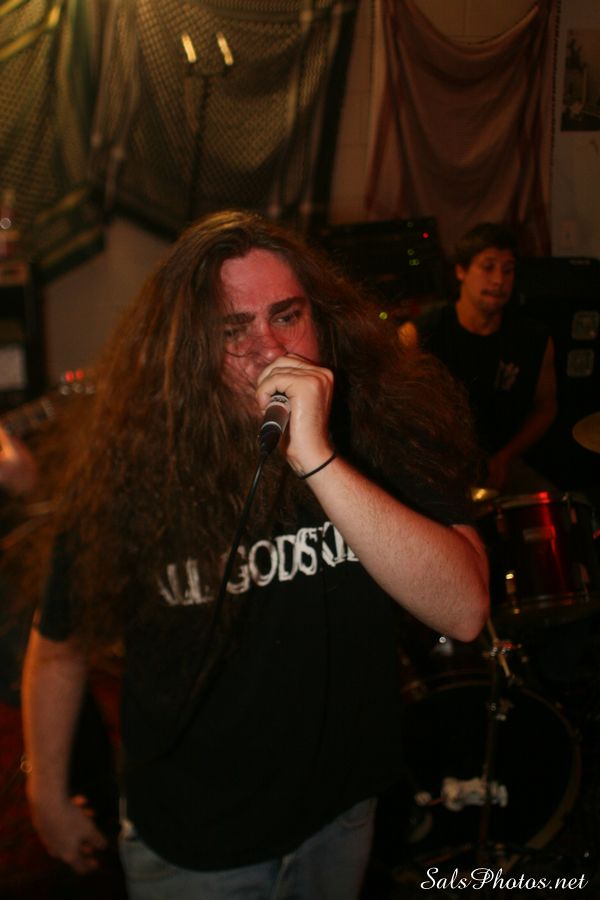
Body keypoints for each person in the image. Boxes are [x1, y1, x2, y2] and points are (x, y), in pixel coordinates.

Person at [21, 210, 488, 900]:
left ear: (321, 318)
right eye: (231, 330)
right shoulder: (130, 471)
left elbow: (465, 607)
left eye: (287, 316)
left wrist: (318, 460)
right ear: (186, 349)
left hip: (339, 814)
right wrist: (47, 793)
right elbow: (58, 647)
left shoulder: (380, 425)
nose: (268, 349)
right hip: (195, 843)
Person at [399, 223, 557, 493]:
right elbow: (395, 412)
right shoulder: (417, 335)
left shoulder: (534, 339)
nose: (498, 280)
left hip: (505, 464)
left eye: (508, 270)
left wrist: (506, 457)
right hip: (435, 468)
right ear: (461, 271)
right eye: (488, 267)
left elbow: (545, 407)